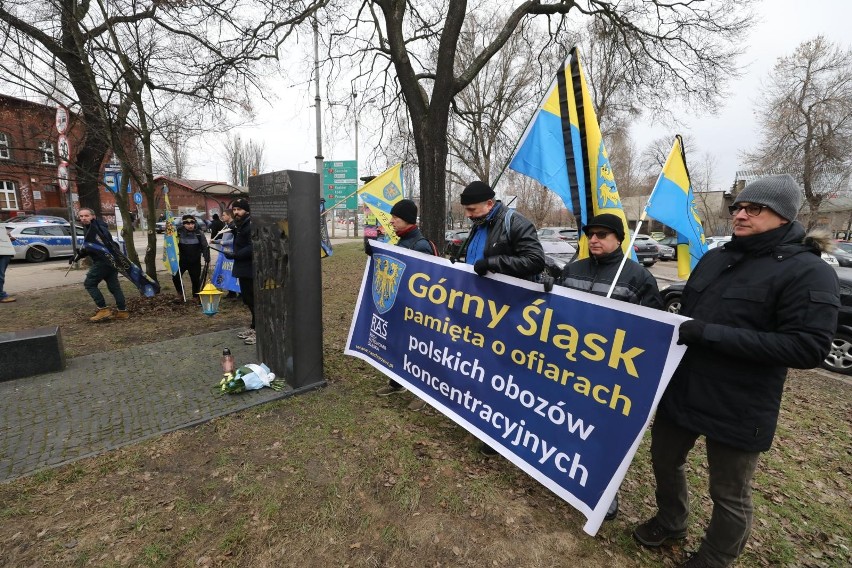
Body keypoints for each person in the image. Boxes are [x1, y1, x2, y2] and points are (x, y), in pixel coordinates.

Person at [632, 174, 839, 567]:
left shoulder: (808, 271)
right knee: (663, 460)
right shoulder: (716, 256)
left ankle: (716, 557)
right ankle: (671, 521)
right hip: (685, 387)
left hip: (741, 401)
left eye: (753, 208)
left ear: (783, 216)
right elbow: (689, 314)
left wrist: (710, 334)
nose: (740, 214)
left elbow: (807, 347)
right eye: (738, 207)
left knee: (728, 491)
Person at [558, 212, 663, 521]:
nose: (594, 239)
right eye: (591, 234)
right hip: (569, 366)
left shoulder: (637, 277)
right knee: (566, 420)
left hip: (610, 375)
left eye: (602, 235)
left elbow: (655, 330)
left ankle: (605, 489)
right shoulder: (573, 269)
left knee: (601, 433)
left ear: (619, 239)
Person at [457, 181, 545, 455]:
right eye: (466, 210)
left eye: (472, 209)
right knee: (481, 365)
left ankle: (498, 433)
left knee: (502, 373)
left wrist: (493, 264)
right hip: (480, 309)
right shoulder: (479, 224)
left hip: (507, 312)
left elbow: (535, 260)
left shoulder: (515, 223)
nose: (468, 215)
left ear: (489, 204)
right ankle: (480, 417)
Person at [372, 199, 438, 411]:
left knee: (418, 351)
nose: (391, 221)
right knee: (398, 346)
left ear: (407, 220)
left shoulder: (420, 246)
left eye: (395, 218)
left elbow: (425, 283)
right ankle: (397, 383)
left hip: (417, 311)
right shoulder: (401, 241)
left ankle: (423, 392)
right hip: (400, 306)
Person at [76, 208, 129, 322]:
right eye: (81, 216)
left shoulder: (97, 228)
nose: (84, 218)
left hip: (103, 261)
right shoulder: (92, 227)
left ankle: (103, 310)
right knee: (114, 287)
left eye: (86, 216)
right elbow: (92, 246)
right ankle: (122, 311)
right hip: (111, 261)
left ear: (93, 216)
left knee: (89, 284)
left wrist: (84, 252)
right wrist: (81, 254)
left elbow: (99, 244)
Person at [223, 199, 254, 344]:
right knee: (247, 299)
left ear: (246, 211)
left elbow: (252, 246)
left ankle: (259, 330)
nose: (236, 212)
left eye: (239, 210)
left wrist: (236, 255)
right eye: (234, 210)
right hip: (243, 268)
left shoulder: (250, 224)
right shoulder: (241, 225)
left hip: (250, 268)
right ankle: (254, 327)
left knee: (253, 300)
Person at [172, 215, 210, 301]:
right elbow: (172, 245)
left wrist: (207, 257)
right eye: (187, 223)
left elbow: (204, 246)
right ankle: (180, 294)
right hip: (181, 261)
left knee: (195, 279)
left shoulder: (199, 233)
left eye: (192, 223)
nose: (190, 225)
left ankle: (195, 296)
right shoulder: (178, 233)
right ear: (183, 224)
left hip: (195, 261)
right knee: (175, 277)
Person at [0, 224, 15, 303]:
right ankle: (1, 296)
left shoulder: (2, 227)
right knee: (0, 275)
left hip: (5, 253)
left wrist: (9, 238)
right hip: (3, 253)